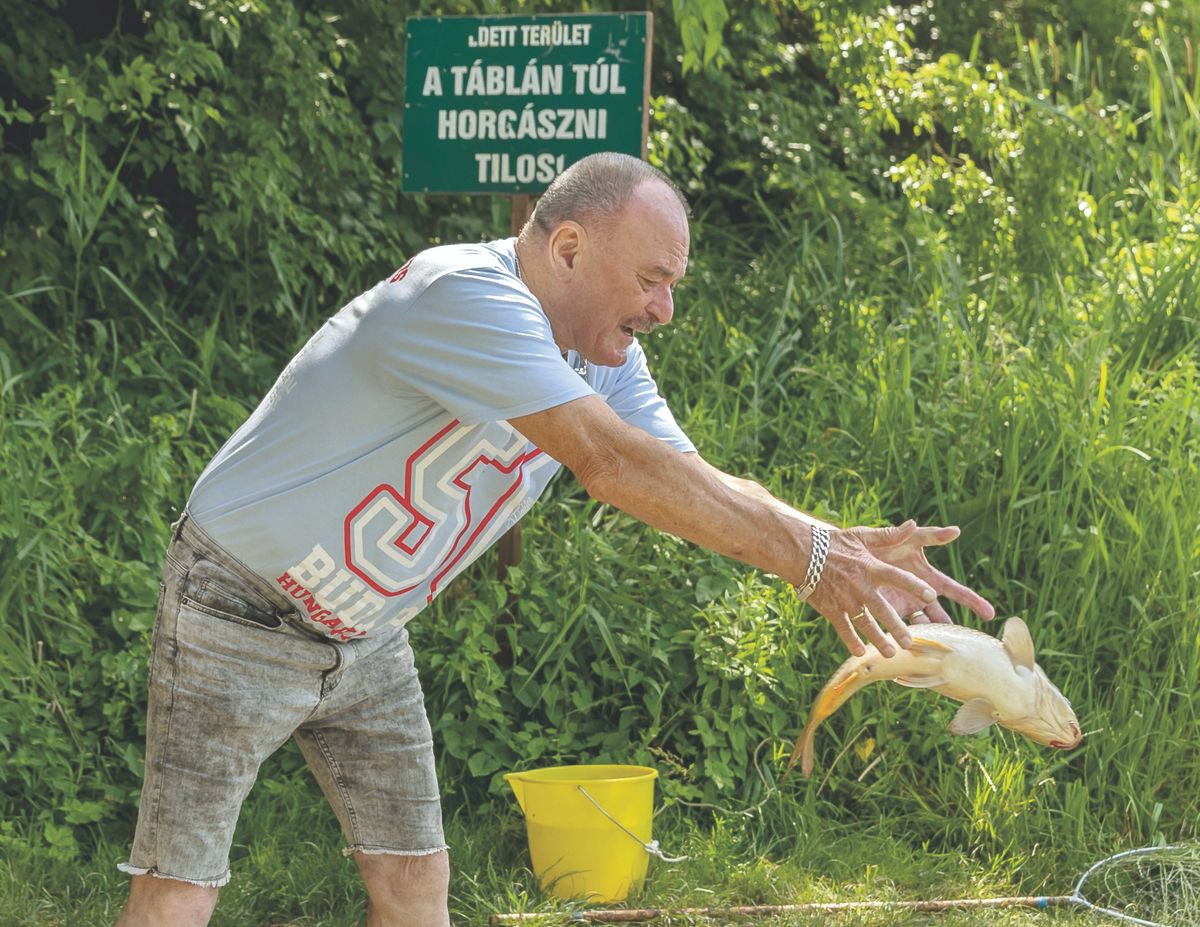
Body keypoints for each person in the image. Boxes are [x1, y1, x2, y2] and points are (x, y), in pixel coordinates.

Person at [115, 151, 994, 927]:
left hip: (363, 630)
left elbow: (691, 476)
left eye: (673, 285)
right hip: (238, 604)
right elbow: (610, 463)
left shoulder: (600, 354)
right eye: (653, 279)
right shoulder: (468, 293)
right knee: (180, 890)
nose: (667, 307)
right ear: (569, 248)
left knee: (418, 883)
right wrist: (811, 562)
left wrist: (831, 543)